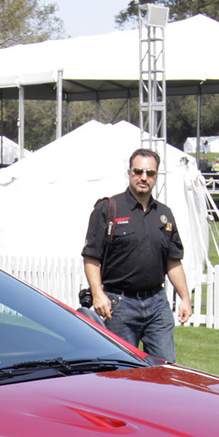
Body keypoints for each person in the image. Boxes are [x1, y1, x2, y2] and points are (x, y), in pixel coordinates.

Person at [81, 148, 192, 361]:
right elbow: (91, 257)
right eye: (138, 171)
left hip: (157, 303)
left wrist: (185, 298)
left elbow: (173, 260)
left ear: (156, 177)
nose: (144, 177)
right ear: (129, 172)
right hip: (119, 305)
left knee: (165, 371)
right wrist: (98, 294)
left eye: (150, 173)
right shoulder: (109, 208)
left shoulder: (164, 214)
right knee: (122, 373)